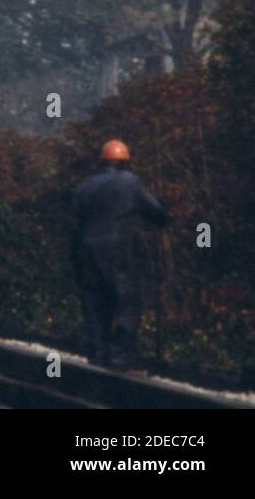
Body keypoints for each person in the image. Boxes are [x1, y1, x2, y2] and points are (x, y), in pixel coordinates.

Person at [72, 139, 168, 369]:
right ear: (125, 162)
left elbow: (74, 225)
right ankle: (118, 357)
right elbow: (155, 211)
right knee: (127, 302)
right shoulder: (129, 182)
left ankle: (97, 355)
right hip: (117, 251)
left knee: (95, 304)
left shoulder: (84, 186)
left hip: (86, 250)